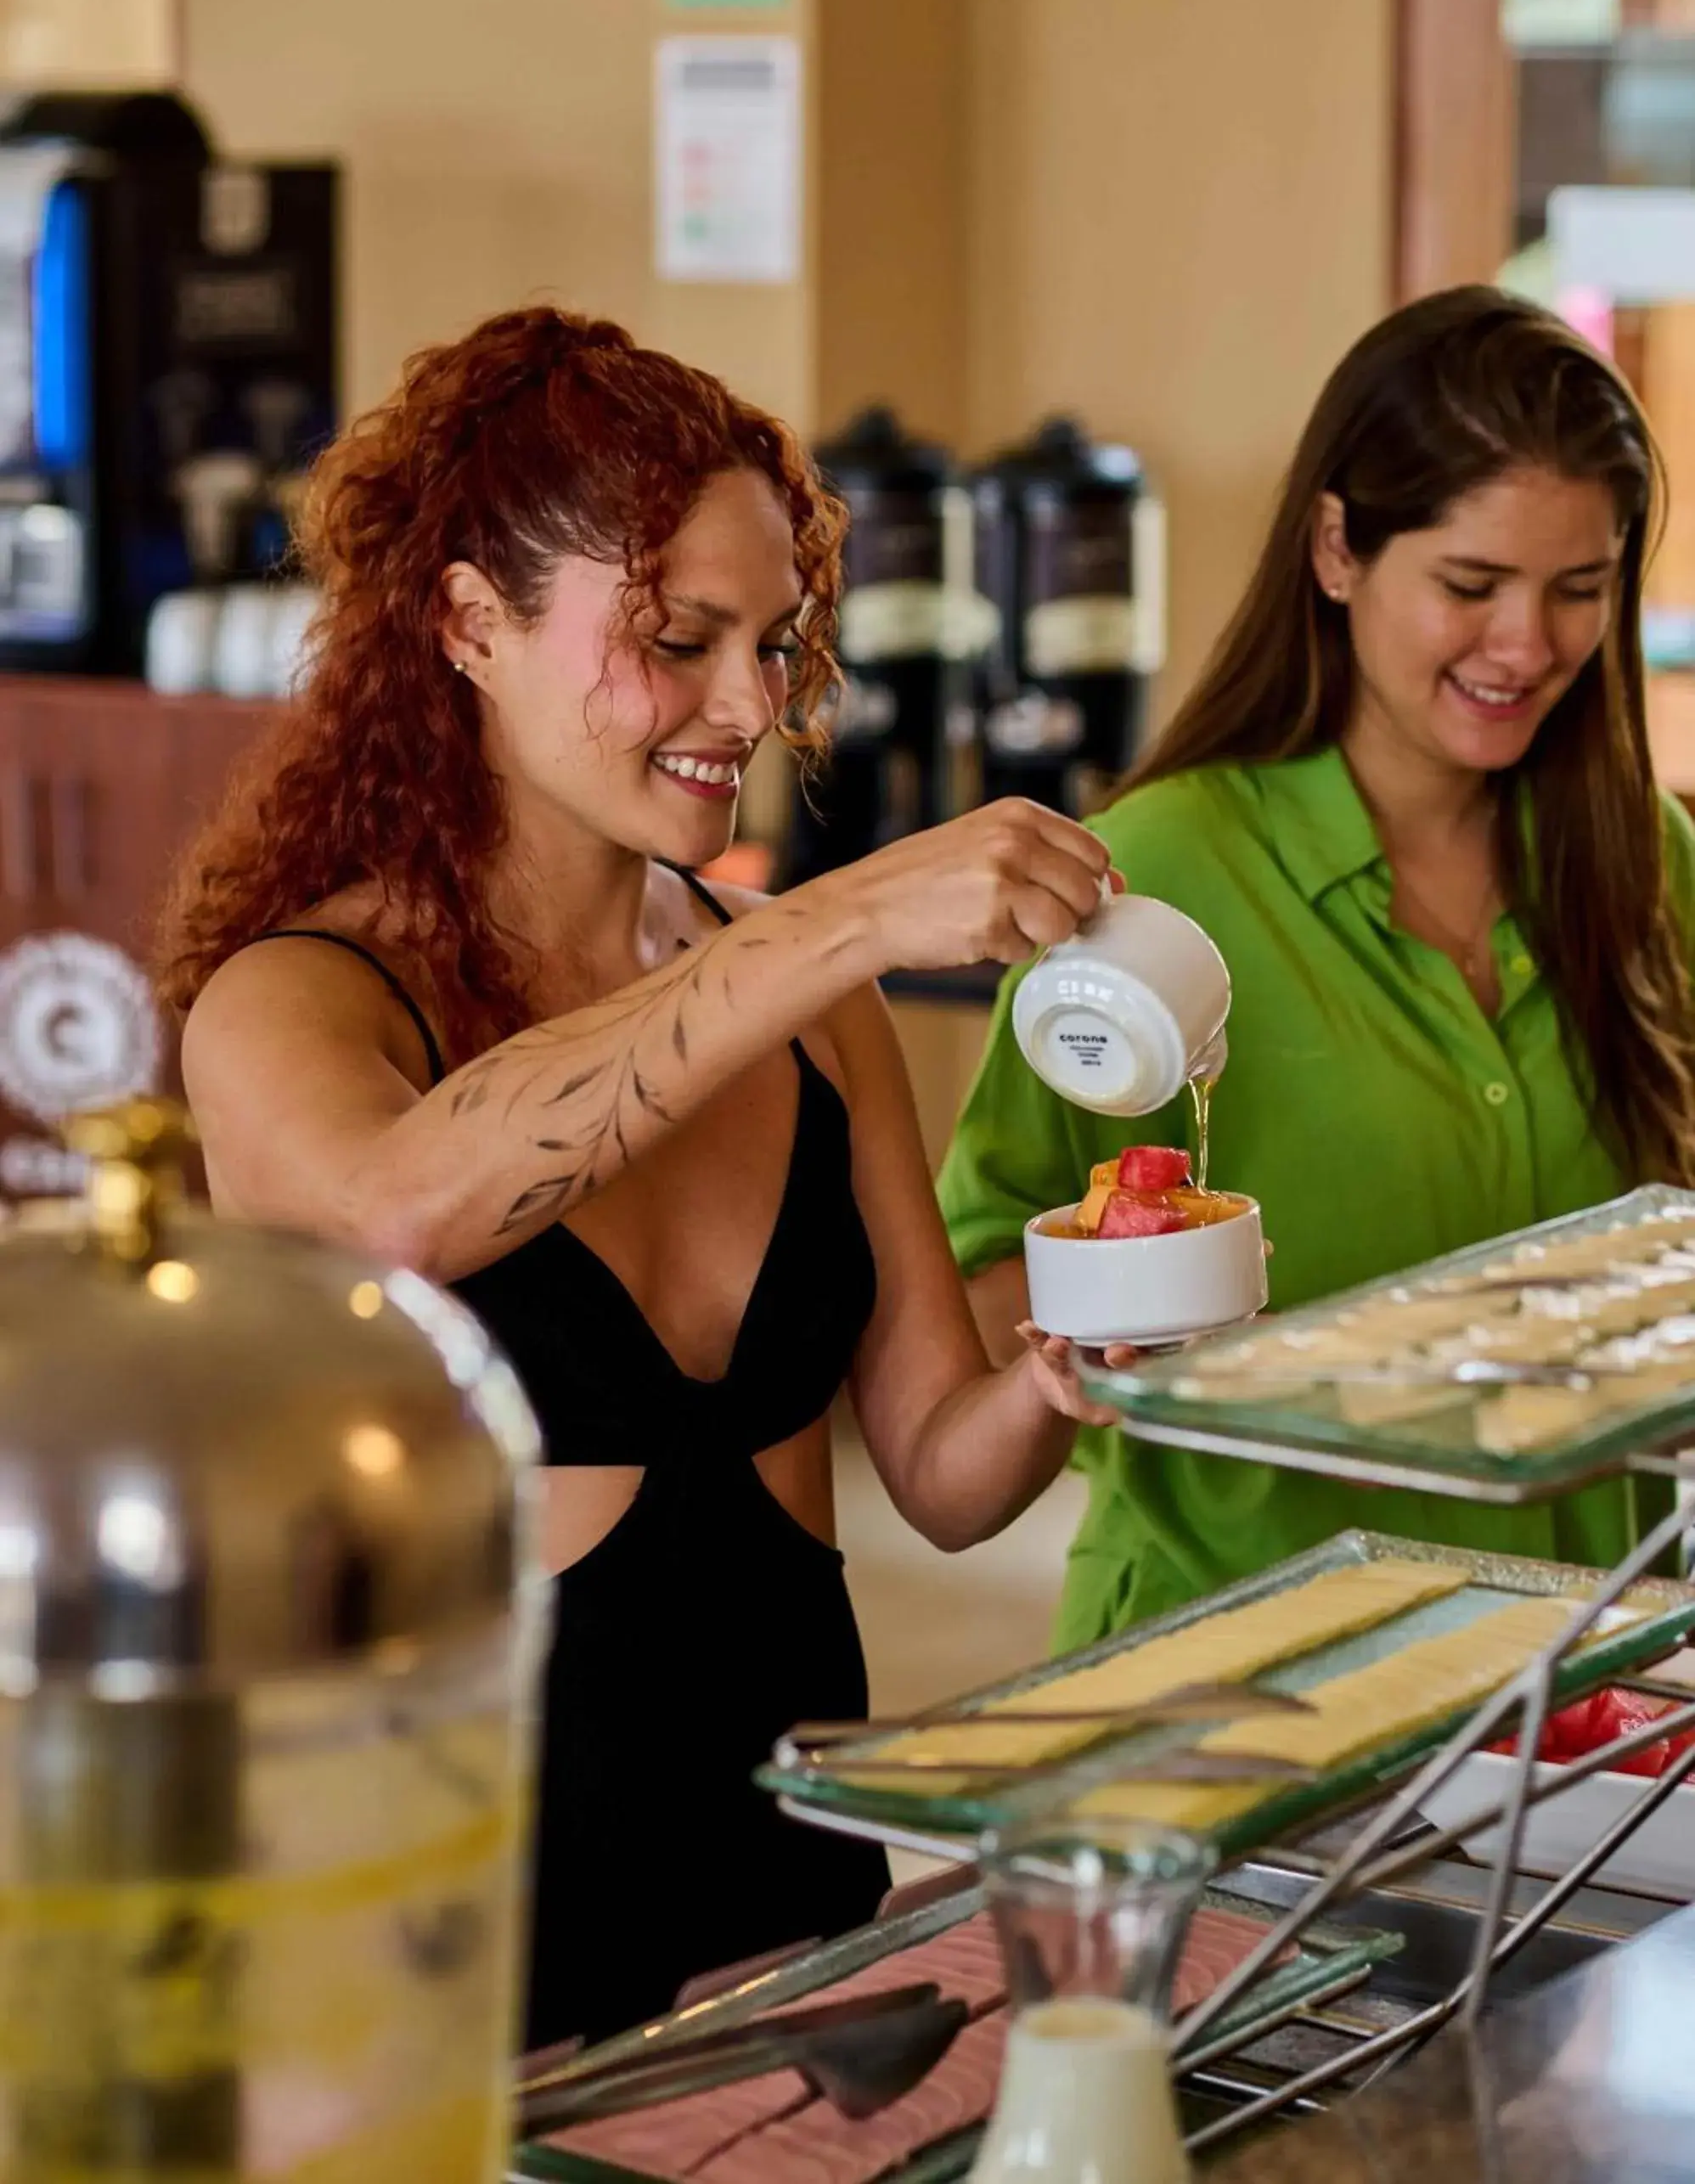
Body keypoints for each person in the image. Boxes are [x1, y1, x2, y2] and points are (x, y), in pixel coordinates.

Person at [159, 307, 1123, 2052]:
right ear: (465, 621)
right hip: (439, 1944)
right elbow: (397, 1210)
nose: (748, 706)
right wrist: (838, 920)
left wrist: (1082, 1350)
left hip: (786, 1911)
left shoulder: (813, 1013)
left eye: (775, 643)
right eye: (679, 641)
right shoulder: (294, 1000)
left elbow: (940, 1472)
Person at [941, 286, 1695, 1652]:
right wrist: (1097, 1328)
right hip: (1232, 1676)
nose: (1527, 646)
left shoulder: (1650, 860)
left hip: (1589, 1683)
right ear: (1339, 547)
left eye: (1578, 590)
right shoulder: (1144, 878)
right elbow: (981, 1285)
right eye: (1470, 585)